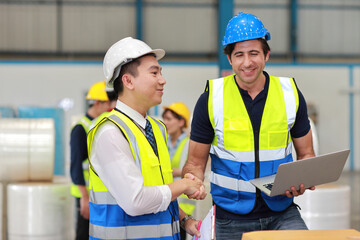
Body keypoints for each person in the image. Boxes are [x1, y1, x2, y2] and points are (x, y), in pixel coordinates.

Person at [182, 12, 315, 239]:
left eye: (254, 53)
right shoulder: (211, 99)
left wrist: (304, 179)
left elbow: (307, 154)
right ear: (230, 58)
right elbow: (194, 163)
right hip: (229, 216)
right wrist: (192, 181)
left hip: (282, 212)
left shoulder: (290, 94)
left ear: (266, 55)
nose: (247, 63)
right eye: (239, 55)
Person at [87, 37, 202, 240]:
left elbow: (160, 192)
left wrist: (185, 220)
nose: (162, 79)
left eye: (161, 72)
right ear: (128, 81)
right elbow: (136, 201)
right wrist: (184, 185)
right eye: (154, 72)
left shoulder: (156, 128)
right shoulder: (110, 133)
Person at [70, 81, 114, 240]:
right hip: (86, 194)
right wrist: (84, 197)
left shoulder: (99, 125)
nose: (111, 106)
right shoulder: (81, 128)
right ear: (97, 103)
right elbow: (75, 166)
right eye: (108, 102)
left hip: (99, 194)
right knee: (83, 233)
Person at [162, 102, 196, 240]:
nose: (165, 123)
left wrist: (175, 172)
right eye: (164, 119)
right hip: (166, 201)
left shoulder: (189, 143)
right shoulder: (163, 141)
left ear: (181, 122)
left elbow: (191, 172)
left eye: (169, 119)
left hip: (184, 206)